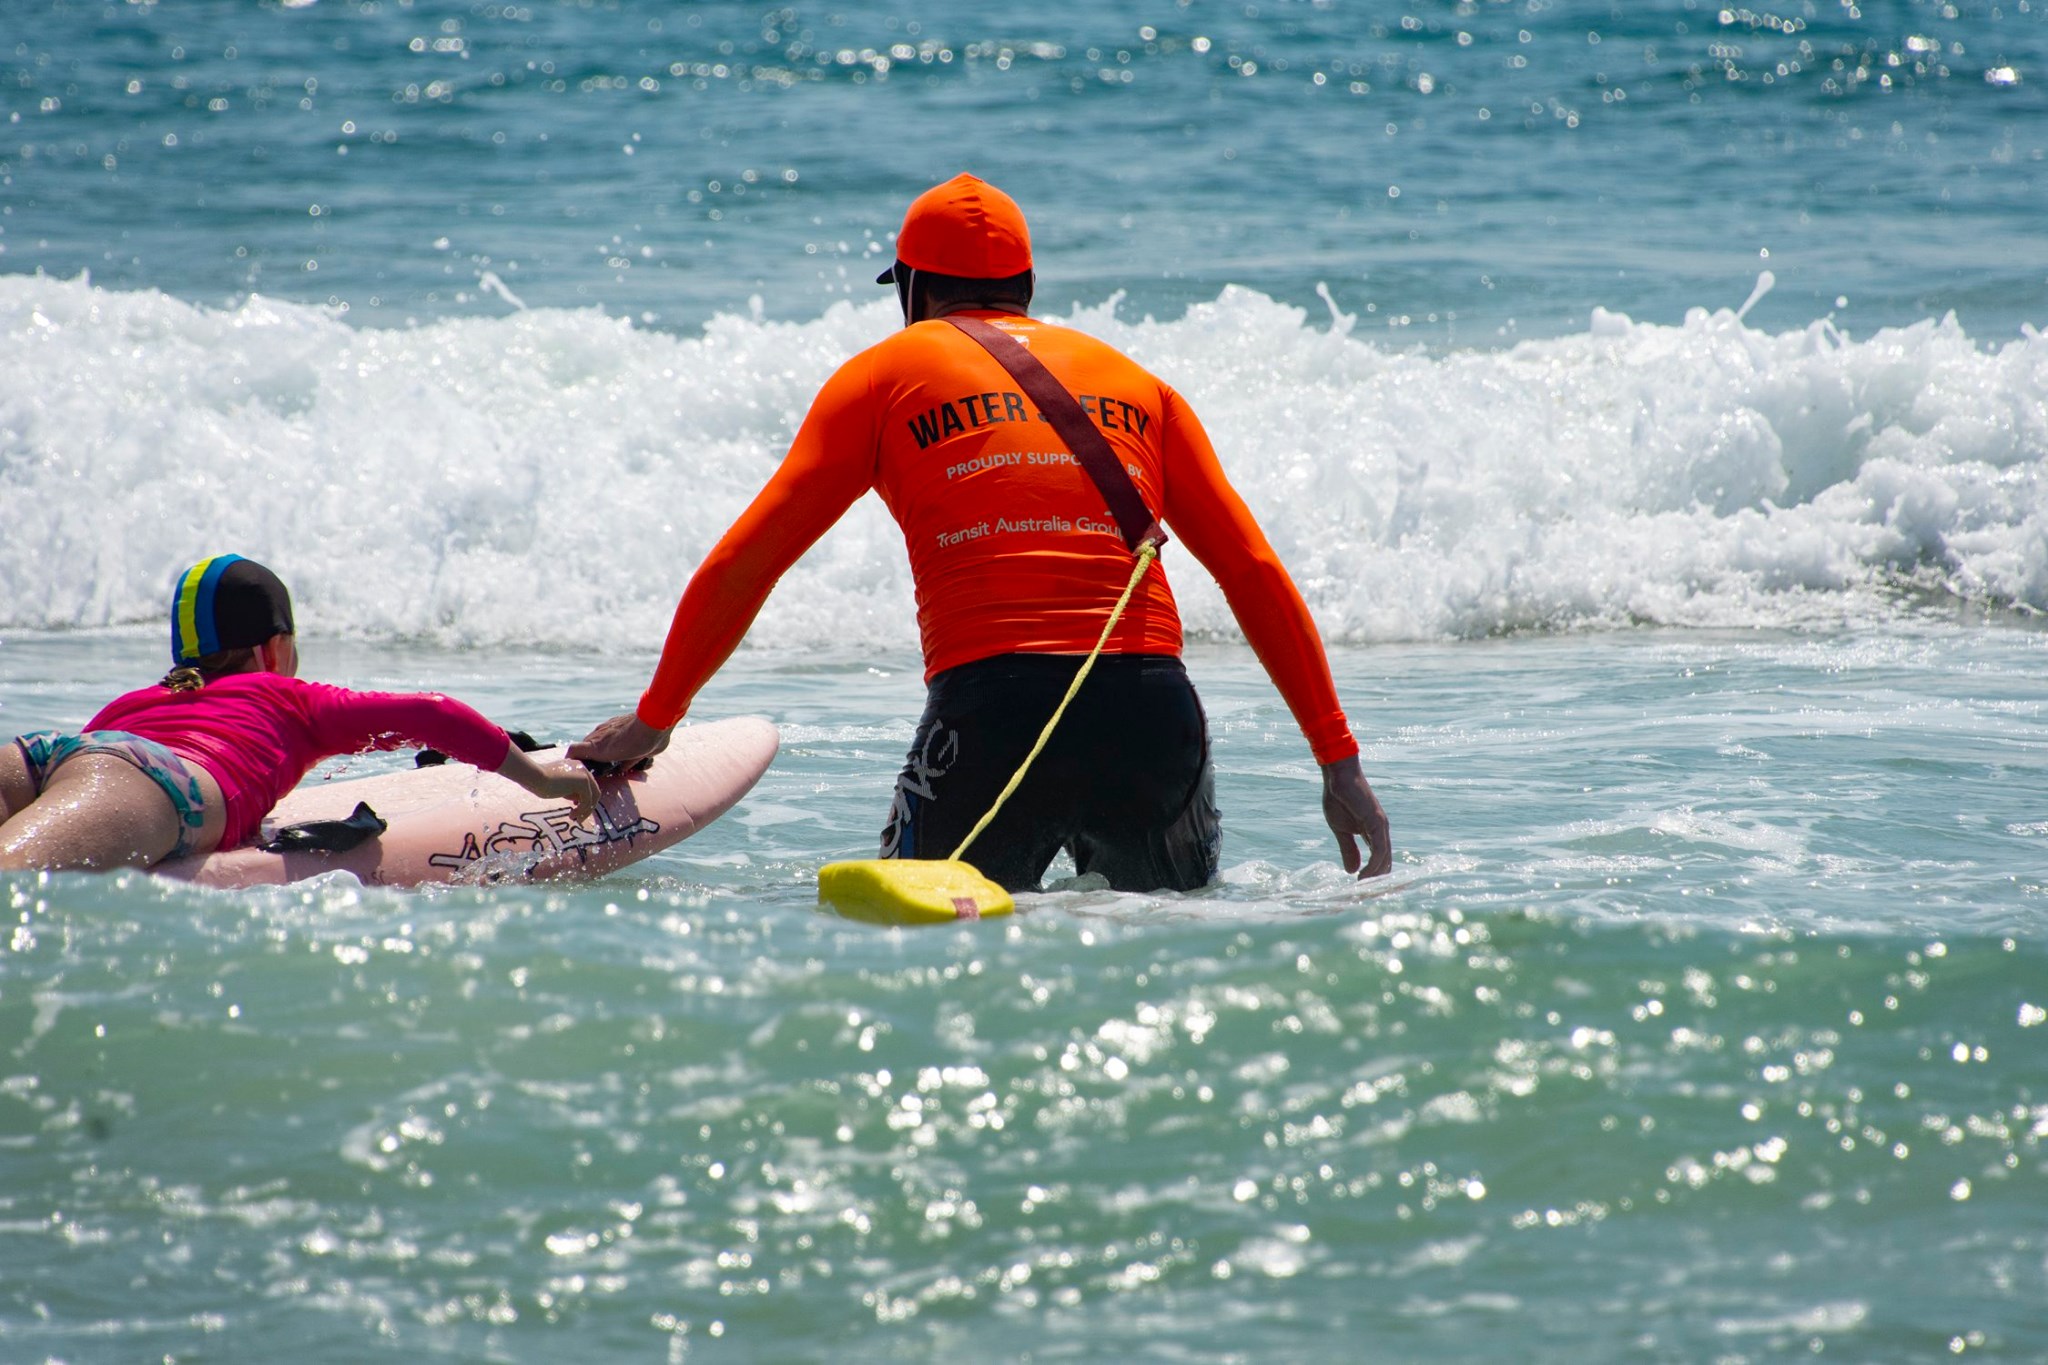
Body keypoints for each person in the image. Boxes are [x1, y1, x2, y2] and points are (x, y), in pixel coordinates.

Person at [572, 173, 1391, 891]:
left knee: (917, 938)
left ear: (914, 288)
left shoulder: (881, 377)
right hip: (1153, 715)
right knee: (1167, 953)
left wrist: (658, 715)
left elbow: (751, 560)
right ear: (1027, 285)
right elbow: (1250, 567)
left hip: (993, 716)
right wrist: (1338, 760)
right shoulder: (1140, 383)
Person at [1, 554, 598, 872]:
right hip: (156, 782)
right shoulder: (291, 698)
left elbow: (92, 758)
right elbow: (430, 712)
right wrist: (542, 778)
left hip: (47, 753)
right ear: (276, 648)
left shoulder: (140, 698)